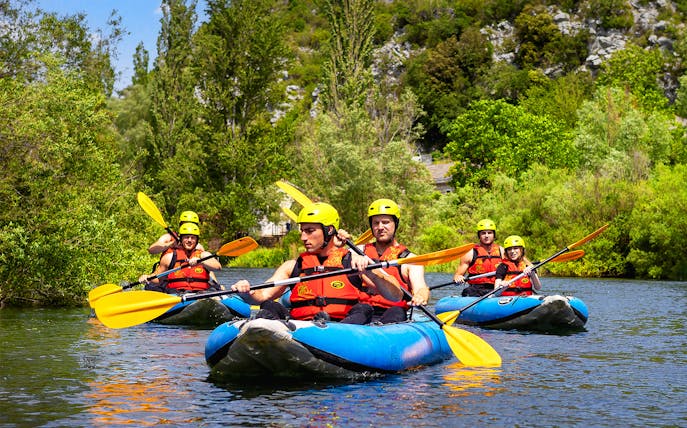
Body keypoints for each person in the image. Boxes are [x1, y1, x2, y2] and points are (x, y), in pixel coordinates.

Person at [230, 202, 403, 324]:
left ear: (329, 231)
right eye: (302, 231)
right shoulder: (293, 266)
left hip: (342, 328)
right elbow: (263, 295)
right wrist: (246, 292)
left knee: (364, 309)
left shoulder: (352, 261)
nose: (303, 237)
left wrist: (371, 271)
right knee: (269, 306)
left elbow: (395, 295)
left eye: (310, 231)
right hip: (301, 327)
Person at [354, 198, 429, 323]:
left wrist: (421, 296)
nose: (380, 227)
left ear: (396, 223)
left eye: (385, 222)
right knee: (361, 309)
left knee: (396, 311)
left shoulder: (409, 259)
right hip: (362, 310)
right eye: (376, 223)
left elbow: (421, 287)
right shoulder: (358, 251)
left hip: (394, 312)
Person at [139, 222, 222, 293]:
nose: (189, 240)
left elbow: (217, 267)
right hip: (176, 294)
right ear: (181, 239)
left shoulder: (204, 255)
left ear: (196, 241)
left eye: (193, 238)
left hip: (201, 293)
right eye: (186, 237)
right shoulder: (169, 257)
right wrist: (147, 277)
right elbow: (159, 278)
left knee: (213, 290)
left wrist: (201, 262)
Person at [453, 218, 504, 297]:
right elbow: (457, 275)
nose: (486, 236)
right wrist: (458, 277)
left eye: (489, 233)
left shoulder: (502, 251)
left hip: (496, 288)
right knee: (468, 291)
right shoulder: (470, 253)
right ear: (479, 236)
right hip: (476, 289)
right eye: (483, 233)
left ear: (494, 235)